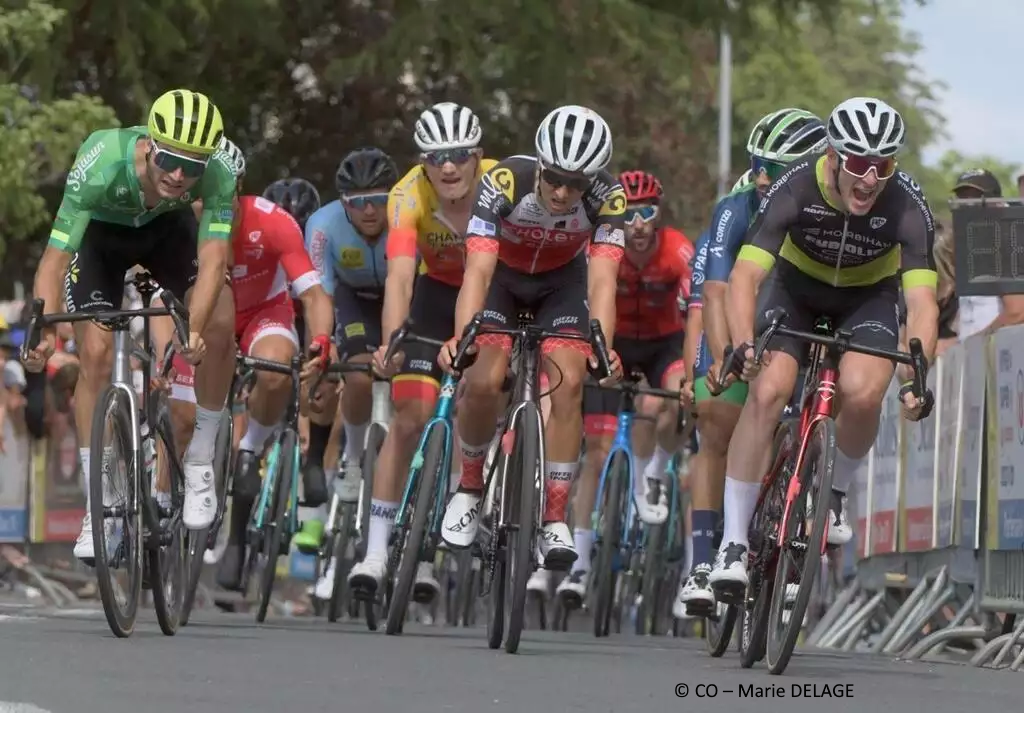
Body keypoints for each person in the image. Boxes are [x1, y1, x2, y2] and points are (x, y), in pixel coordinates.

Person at [709, 96, 938, 596]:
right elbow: (746, 276)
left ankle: (832, 494)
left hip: (867, 297)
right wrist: (744, 344)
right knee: (769, 390)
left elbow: (921, 301)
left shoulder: (907, 204)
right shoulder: (794, 185)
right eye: (857, 163)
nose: (869, 178)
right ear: (832, 156)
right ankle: (731, 543)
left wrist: (919, 370)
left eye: (883, 165)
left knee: (863, 389)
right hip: (793, 288)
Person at [23, 89, 238, 564]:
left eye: (194, 166)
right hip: (101, 241)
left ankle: (201, 456)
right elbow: (55, 261)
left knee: (221, 313)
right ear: (148, 145)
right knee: (94, 353)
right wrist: (43, 332)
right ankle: (98, 504)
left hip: (167, 235)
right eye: (170, 160)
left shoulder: (220, 172)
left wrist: (195, 328)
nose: (180, 175)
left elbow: (213, 257)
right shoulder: (101, 159)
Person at [437, 104, 625, 569]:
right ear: (539, 165)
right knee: (482, 381)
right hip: (503, 280)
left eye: (575, 184)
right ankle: (470, 486)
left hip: (563, 287)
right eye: (555, 178)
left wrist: (602, 345)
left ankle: (555, 518)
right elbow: (477, 270)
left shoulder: (610, 196)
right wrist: (465, 336)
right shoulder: (503, 181)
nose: (562, 193)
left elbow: (603, 281)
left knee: (571, 382)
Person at [344, 103, 496, 603]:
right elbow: (401, 277)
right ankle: (376, 551)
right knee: (411, 417)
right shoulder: (406, 194)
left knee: (477, 394)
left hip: (492, 297)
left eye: (457, 155)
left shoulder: (501, 186)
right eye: (436, 157)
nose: (447, 166)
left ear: (477, 155)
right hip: (433, 299)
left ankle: (457, 507)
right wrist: (390, 342)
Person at [677, 108, 827, 614]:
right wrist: (725, 357)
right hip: (744, 311)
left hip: (797, 311)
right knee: (716, 417)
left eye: (774, 167)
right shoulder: (737, 207)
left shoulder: (829, 204)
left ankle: (795, 534)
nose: (762, 176)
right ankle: (703, 560)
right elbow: (715, 291)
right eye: (756, 164)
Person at [167, 143, 337, 589]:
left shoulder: (272, 221)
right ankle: (165, 505)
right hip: (203, 320)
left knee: (277, 366)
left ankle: (250, 449)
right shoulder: (179, 223)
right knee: (182, 418)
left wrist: (320, 343)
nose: (202, 198)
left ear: (235, 185)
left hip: (263, 313)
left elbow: (314, 296)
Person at [557, 169, 693, 604]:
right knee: (594, 455)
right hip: (612, 343)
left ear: (659, 214)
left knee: (673, 397)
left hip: (661, 343)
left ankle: (652, 475)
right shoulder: (604, 242)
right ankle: (577, 567)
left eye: (646, 212)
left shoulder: (677, 250)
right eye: (630, 213)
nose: (636, 223)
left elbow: (699, 300)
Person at [295, 148, 398, 558]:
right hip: (353, 300)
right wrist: (322, 348)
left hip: (401, 295)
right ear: (343, 203)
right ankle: (353, 459)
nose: (370, 211)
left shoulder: (406, 217)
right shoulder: (323, 225)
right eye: (357, 203)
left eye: (379, 200)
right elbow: (319, 295)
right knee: (355, 373)